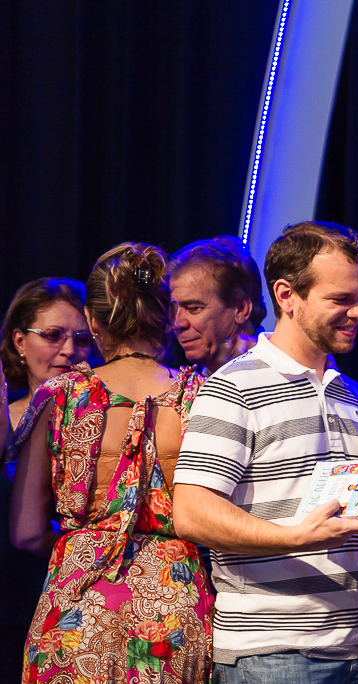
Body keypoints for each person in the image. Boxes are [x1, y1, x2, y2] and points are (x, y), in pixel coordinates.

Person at [172, 221, 358, 684]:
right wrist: (293, 537)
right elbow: (192, 512)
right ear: (287, 295)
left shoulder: (354, 396)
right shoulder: (234, 387)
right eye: (341, 300)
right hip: (271, 655)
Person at [6, 243, 214, 683]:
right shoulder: (198, 396)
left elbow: (25, 532)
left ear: (93, 320)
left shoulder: (59, 396)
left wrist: (84, 549)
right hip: (173, 610)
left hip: (77, 614)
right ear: (165, 316)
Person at [1, 278, 94, 430]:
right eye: (53, 335)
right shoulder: (4, 422)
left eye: (82, 338)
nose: (70, 350)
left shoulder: (108, 419)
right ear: (19, 342)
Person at [170, 235, 267, 375]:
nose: (177, 324)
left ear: (241, 309)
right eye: (173, 310)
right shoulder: (193, 381)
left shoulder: (279, 376)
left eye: (193, 308)